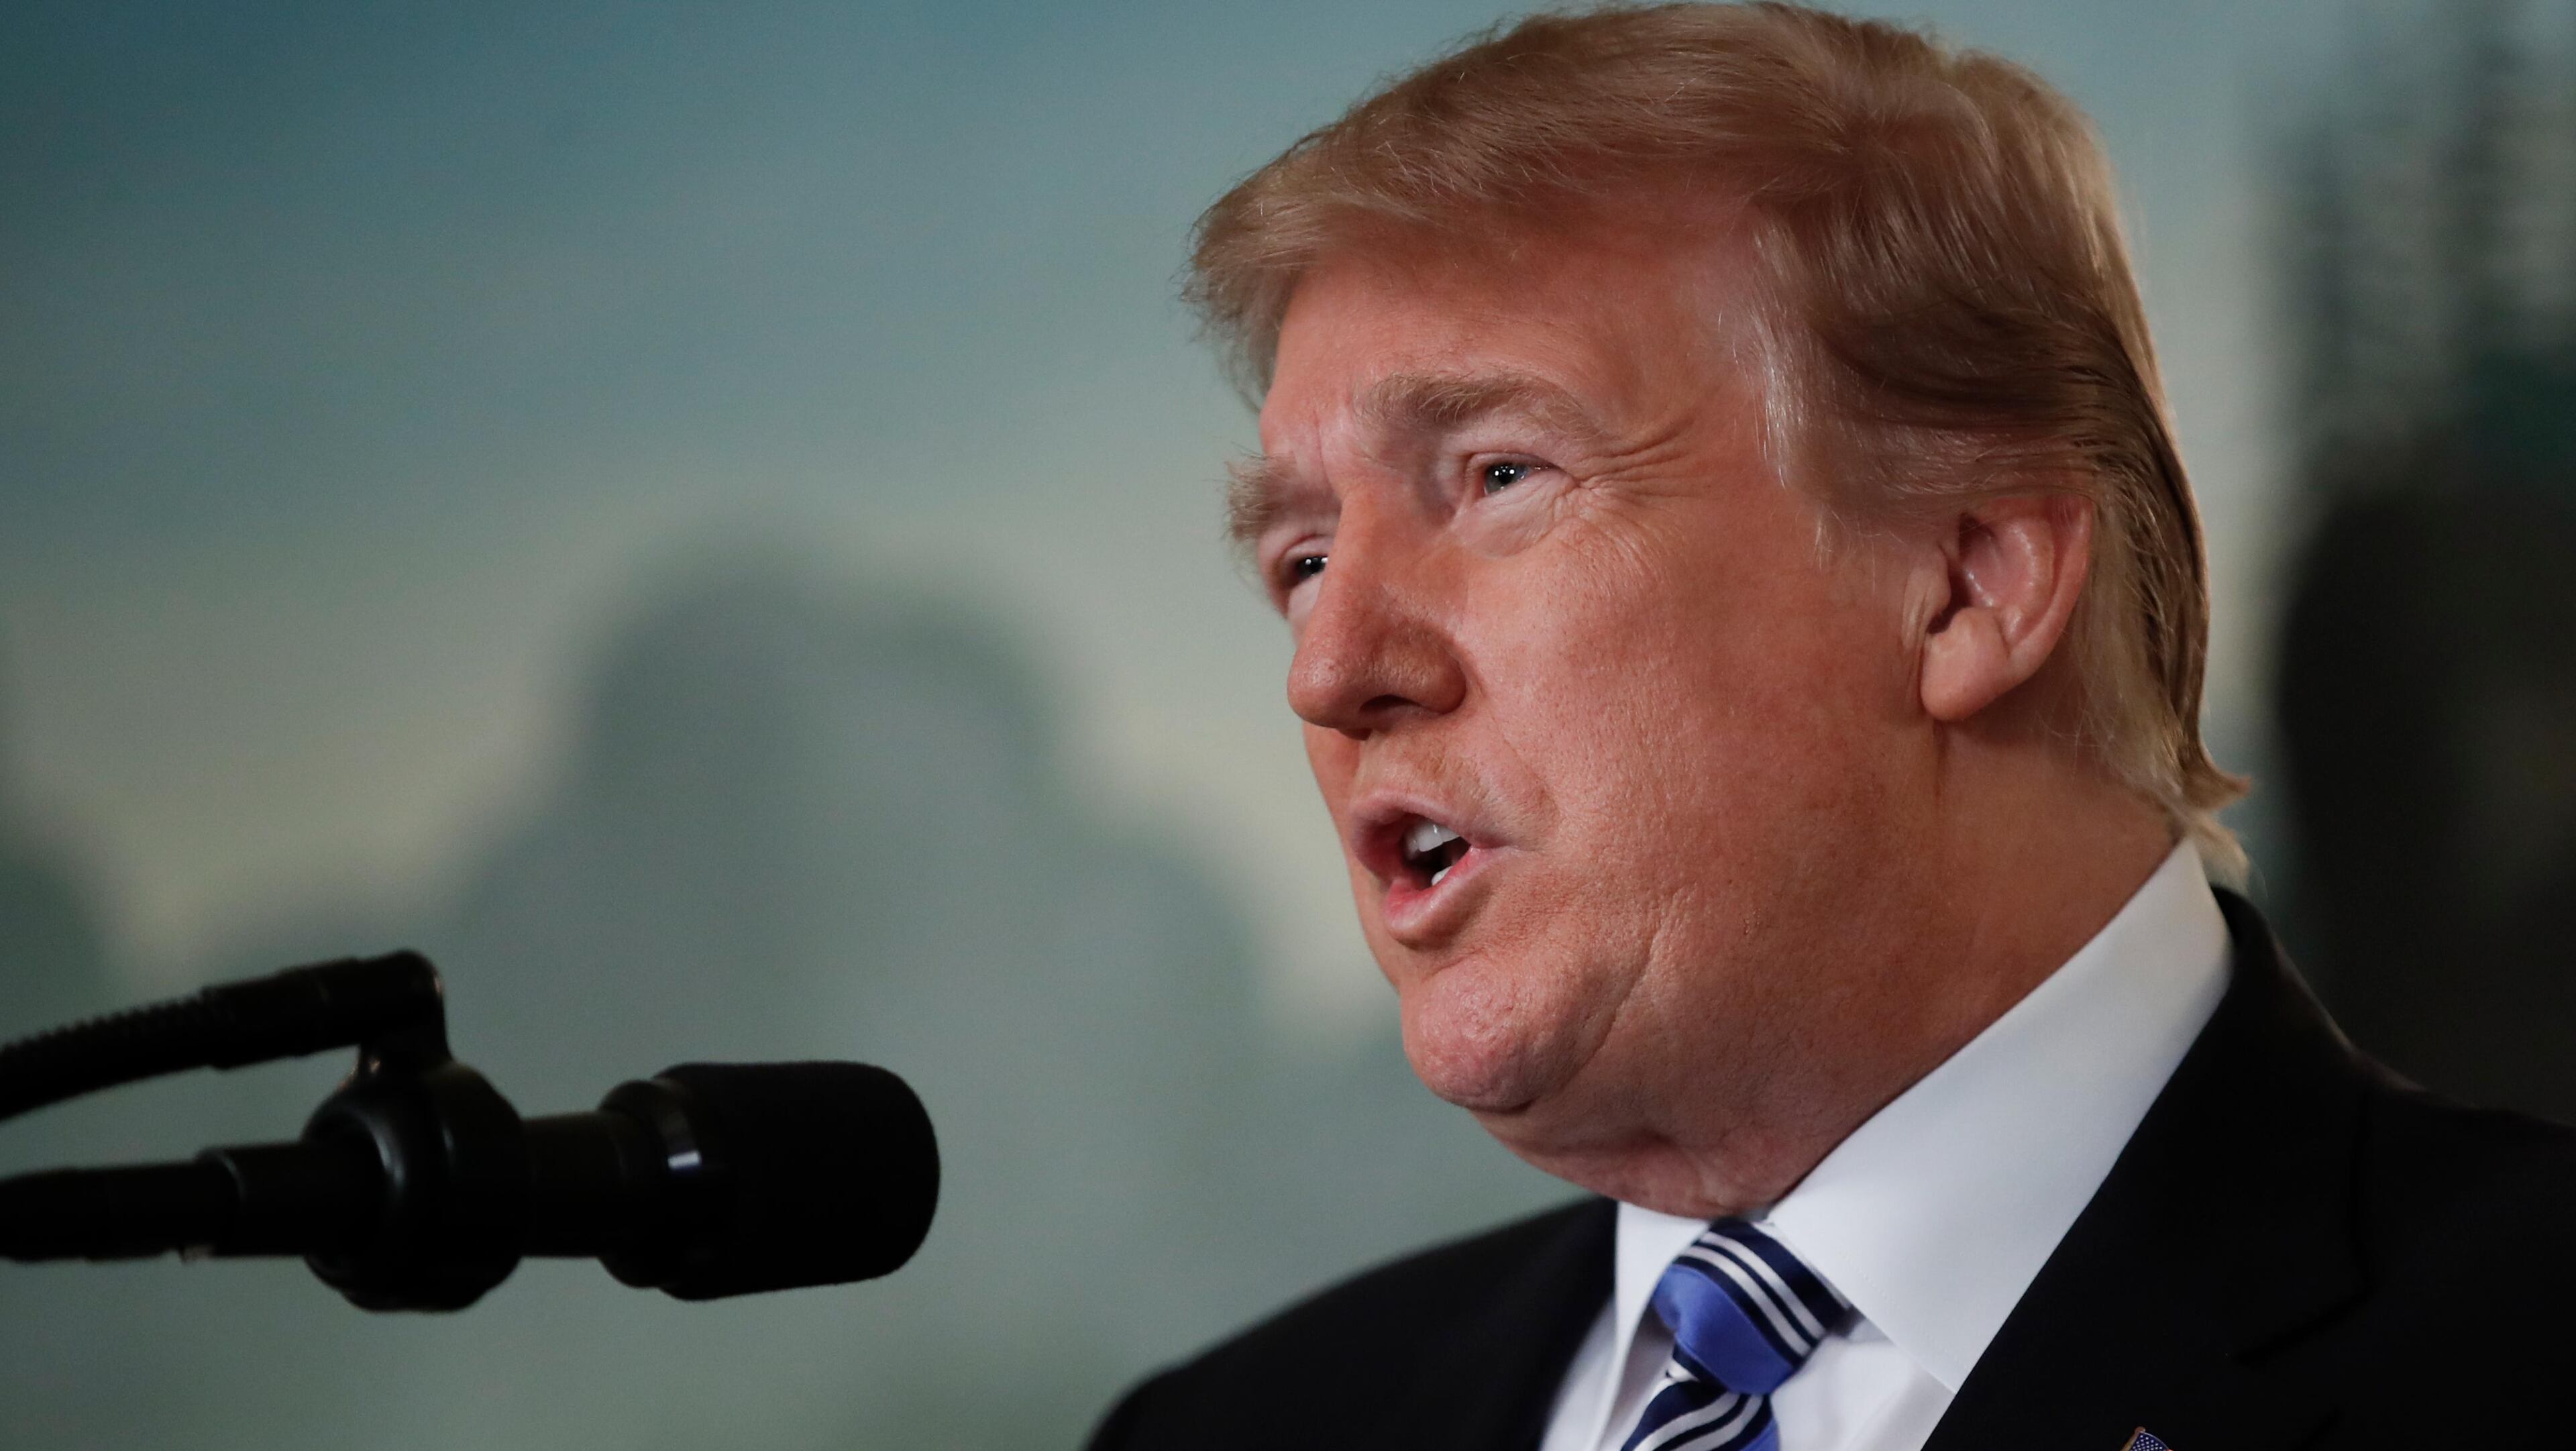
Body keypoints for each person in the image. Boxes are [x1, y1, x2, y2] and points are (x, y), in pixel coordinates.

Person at [1087, 5, 2576, 1448]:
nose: (1331, 666)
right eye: (1300, 560)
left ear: (1969, 581)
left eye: (1496, 476)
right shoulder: (1230, 1425)